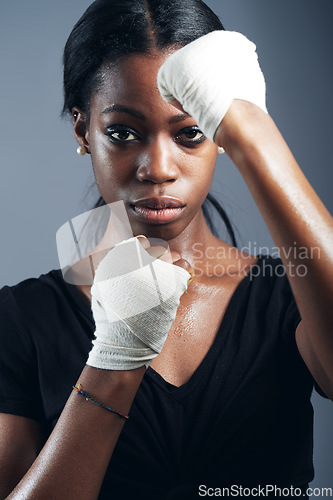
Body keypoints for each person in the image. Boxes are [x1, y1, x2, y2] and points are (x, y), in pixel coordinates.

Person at [0, 0, 332, 498]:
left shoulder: (289, 296)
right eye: (123, 132)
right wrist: (114, 361)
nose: (158, 166)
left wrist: (253, 131)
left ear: (220, 134)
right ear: (81, 130)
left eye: (191, 131)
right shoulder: (21, 320)